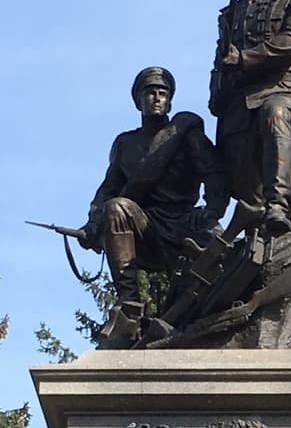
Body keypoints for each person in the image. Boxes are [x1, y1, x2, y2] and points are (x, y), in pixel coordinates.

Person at [80, 66, 228, 340]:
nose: (157, 98)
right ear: (138, 100)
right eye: (150, 93)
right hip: (145, 227)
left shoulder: (186, 135)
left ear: (170, 100)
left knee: (222, 260)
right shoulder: (125, 144)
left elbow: (215, 174)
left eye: (163, 93)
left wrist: (211, 211)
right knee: (116, 207)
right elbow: (108, 190)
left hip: (184, 224)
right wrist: (92, 223)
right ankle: (129, 306)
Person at [209, 0, 291, 235]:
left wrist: (242, 59)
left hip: (281, 93)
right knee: (241, 178)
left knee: (275, 114)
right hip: (238, 105)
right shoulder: (230, 13)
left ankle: (277, 204)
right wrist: (216, 93)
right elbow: (218, 60)